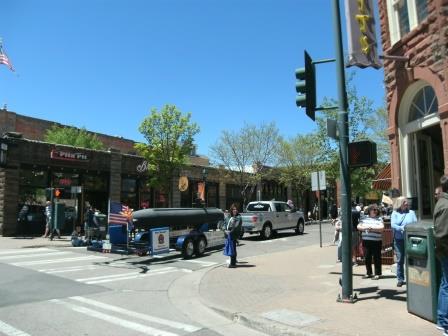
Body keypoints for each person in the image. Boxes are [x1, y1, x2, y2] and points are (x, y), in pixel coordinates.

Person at [391, 196, 417, 287]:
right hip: (399, 240)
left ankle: (412, 278)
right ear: (400, 203)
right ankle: (400, 279)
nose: (407, 203)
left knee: (411, 259)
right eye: (404, 202)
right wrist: (401, 228)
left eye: (407, 202)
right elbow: (393, 225)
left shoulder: (412, 212)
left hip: (410, 239)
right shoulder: (394, 213)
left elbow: (415, 223)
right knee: (400, 259)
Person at [434, 176, 448, 332]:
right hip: (446, 252)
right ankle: (444, 322)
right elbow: (442, 235)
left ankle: (442, 320)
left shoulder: (443, 203)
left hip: (444, 251)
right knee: (447, 285)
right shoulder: (445, 205)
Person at [357, 203, 384, 280]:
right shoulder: (364, 218)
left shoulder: (379, 219)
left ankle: (377, 274)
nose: (375, 211)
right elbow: (359, 226)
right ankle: (369, 273)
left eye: (376, 210)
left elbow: (381, 228)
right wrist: (367, 228)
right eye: (373, 210)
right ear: (369, 210)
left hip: (376, 241)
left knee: (377, 258)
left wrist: (371, 228)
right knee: (367, 257)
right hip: (366, 241)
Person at [225, 203, 242, 268]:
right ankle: (233, 262)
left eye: (236, 209)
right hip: (228, 235)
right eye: (233, 209)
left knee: (232, 249)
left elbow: (236, 226)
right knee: (231, 248)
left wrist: (229, 232)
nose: (235, 210)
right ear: (231, 210)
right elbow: (225, 223)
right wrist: (224, 230)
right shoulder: (229, 217)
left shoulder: (238, 217)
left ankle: (233, 263)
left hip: (233, 235)